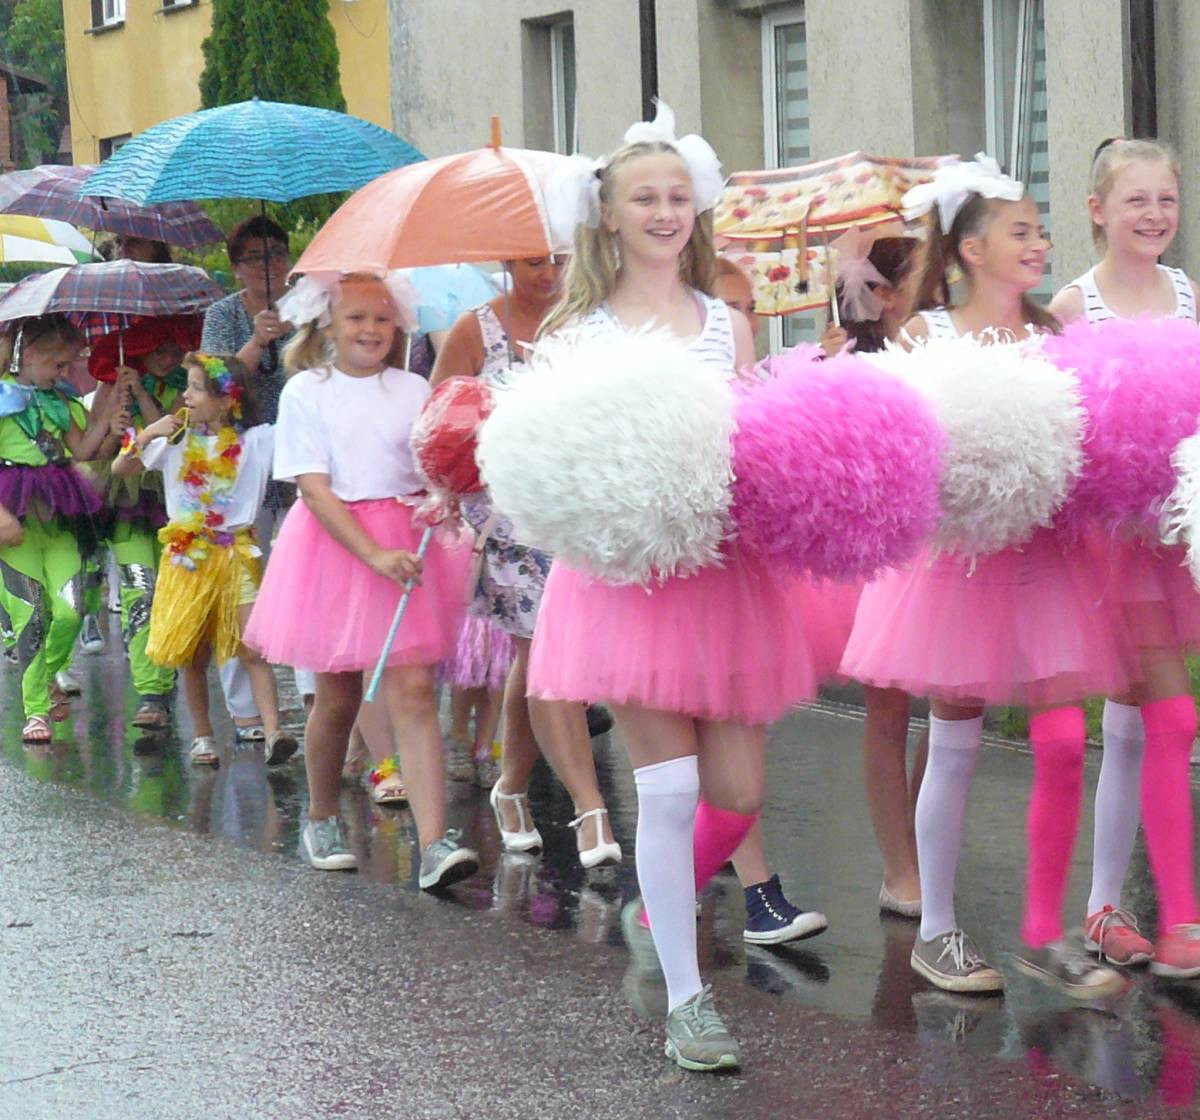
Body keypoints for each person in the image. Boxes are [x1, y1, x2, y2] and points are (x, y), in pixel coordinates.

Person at [530, 104, 832, 1072]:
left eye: (676, 197)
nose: (664, 212)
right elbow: (552, 460)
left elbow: (750, 441)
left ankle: (652, 905)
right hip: (626, 580)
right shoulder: (577, 330)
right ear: (607, 215)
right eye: (642, 198)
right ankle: (689, 1000)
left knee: (737, 793)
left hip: (720, 575)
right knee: (666, 790)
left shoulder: (725, 322)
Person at [841, 157, 1128, 999]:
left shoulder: (1054, 333)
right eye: (1021, 231)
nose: (1039, 244)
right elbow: (897, 454)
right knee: (956, 740)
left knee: (1068, 742)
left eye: (1042, 230)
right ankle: (937, 929)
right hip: (958, 562)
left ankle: (1049, 931)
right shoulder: (928, 335)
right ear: (969, 248)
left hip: (1046, 557)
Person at [243, 272, 477, 890]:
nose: (370, 329)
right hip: (337, 546)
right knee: (339, 694)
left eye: (381, 317)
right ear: (326, 324)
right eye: (355, 318)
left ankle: (433, 842)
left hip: (405, 543)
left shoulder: (412, 388)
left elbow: (430, 463)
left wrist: (441, 495)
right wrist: (371, 553)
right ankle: (319, 816)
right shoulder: (305, 391)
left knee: (416, 691)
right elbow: (313, 488)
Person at [1049, 137, 1200, 977]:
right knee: (1172, 719)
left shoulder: (1187, 294)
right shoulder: (1076, 306)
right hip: (1110, 546)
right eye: (1136, 200)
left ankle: (1105, 905)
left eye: (1167, 201)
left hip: (1174, 540)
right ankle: (1184, 919)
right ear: (1098, 209)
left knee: (1136, 730)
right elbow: (1059, 433)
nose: (1153, 216)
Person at [432, 258, 623, 869]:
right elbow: (436, 422)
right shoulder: (476, 329)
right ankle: (590, 808)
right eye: (536, 260)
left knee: (538, 657)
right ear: (510, 260)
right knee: (541, 649)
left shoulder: (594, 325)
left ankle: (510, 788)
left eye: (561, 259)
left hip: (577, 513)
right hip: (507, 516)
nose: (550, 272)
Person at [708, 257, 829, 945]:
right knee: (681, 758)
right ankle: (713, 887)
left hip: (737, 560)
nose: (743, 319)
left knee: (735, 733)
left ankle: (751, 890)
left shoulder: (749, 356)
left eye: (749, 307)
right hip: (660, 567)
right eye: (731, 305)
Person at [113, 353, 296, 768]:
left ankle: (274, 733)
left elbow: (301, 432)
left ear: (227, 400)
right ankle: (202, 736)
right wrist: (147, 434)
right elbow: (120, 466)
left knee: (253, 646)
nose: (185, 395)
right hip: (188, 558)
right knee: (193, 654)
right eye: (187, 386)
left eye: (195, 387)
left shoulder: (257, 441)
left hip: (236, 554)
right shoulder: (173, 441)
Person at [819, 237, 930, 918]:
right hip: (878, 552)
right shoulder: (849, 366)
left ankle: (922, 840)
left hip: (938, 548)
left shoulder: (944, 347)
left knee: (952, 708)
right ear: (884, 294)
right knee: (890, 709)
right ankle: (898, 866)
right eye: (922, 276)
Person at [201, 216, 309, 750]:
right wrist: (255, 342)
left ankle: (316, 697)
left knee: (305, 578)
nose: (268, 267)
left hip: (298, 455)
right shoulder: (221, 315)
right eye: (255, 258)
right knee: (241, 583)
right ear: (235, 267)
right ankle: (245, 712)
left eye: (276, 254)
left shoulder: (311, 305)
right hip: (239, 464)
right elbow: (214, 384)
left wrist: (291, 336)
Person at [0, 316, 117, 741]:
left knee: (71, 609)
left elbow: (85, 449)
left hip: (60, 518)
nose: (65, 374)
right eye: (58, 365)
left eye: (68, 366)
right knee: (29, 616)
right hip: (15, 525)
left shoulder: (60, 400)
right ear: (27, 356)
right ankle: (36, 711)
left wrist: (109, 415)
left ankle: (47, 676)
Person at [88, 317, 199, 729]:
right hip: (126, 497)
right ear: (139, 348)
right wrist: (112, 422)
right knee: (139, 588)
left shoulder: (185, 387)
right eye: (158, 350)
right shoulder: (111, 386)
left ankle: (166, 673)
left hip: (174, 497)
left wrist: (143, 396)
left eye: (173, 349)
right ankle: (150, 691)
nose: (168, 358)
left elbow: (173, 430)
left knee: (171, 591)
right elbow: (94, 445)